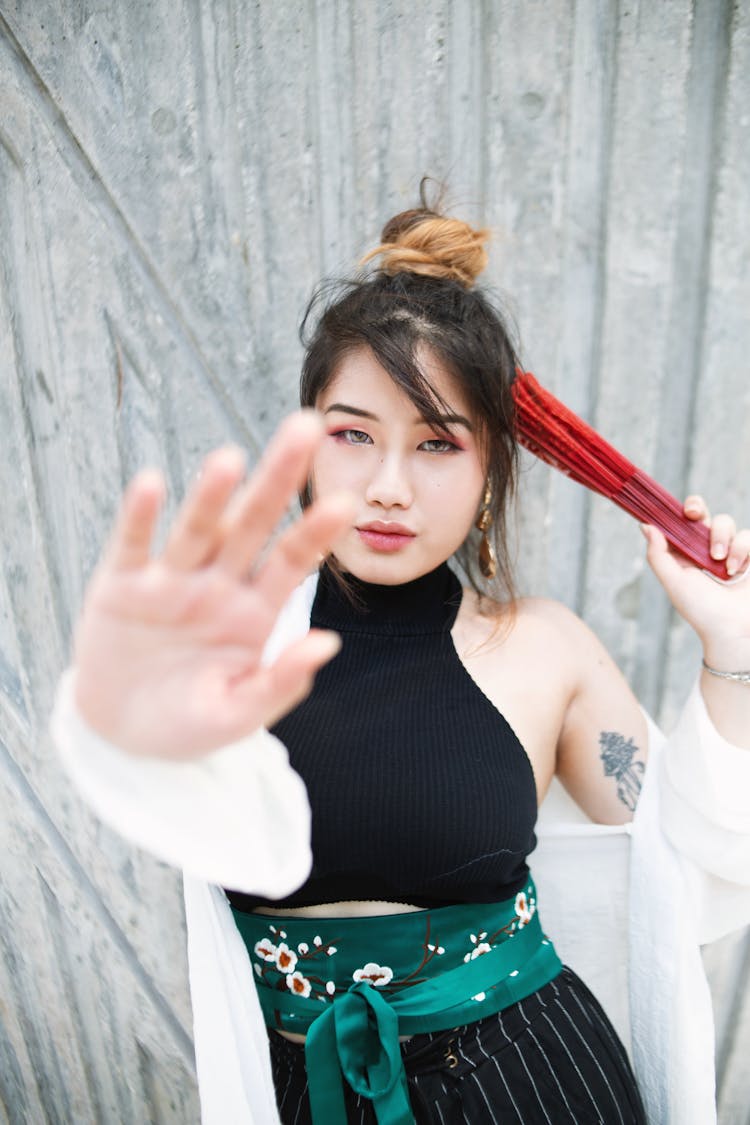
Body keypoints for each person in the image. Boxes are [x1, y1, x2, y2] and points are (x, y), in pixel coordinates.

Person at [51, 198, 750, 1125]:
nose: (388, 484)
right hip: (307, 1091)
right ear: (305, 442)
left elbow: (693, 868)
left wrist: (732, 646)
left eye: (436, 444)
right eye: (353, 434)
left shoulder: (542, 648)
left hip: (534, 1082)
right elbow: (159, 838)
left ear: (490, 466)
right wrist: (117, 718)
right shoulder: (238, 650)